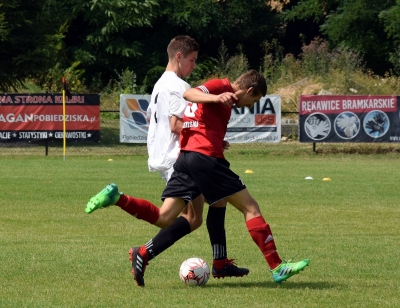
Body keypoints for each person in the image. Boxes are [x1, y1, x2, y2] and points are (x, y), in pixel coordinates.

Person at [86, 70, 310, 286]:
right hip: (205, 160)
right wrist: (216, 96)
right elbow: (189, 94)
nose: (251, 106)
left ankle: (118, 200)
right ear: (249, 89)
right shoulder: (221, 86)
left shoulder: (225, 103)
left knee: (166, 217)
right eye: (254, 100)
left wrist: (214, 136)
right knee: (250, 207)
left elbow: (197, 119)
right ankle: (277, 266)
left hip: (187, 159)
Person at [86, 35, 248, 286]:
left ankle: (218, 261)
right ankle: (143, 247)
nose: (194, 66)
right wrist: (201, 136)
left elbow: (154, 120)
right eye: (192, 60)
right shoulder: (177, 86)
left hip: (168, 155)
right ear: (179, 56)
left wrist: (208, 137)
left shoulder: (160, 84)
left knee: (207, 207)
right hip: (181, 157)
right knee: (178, 216)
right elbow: (175, 125)